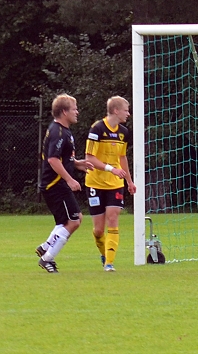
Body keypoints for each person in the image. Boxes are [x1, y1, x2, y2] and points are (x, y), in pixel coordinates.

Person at [35, 94, 92, 273]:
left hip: (56, 184)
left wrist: (77, 163)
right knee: (73, 221)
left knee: (73, 219)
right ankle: (47, 258)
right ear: (64, 111)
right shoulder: (58, 131)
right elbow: (52, 159)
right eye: (74, 109)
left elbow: (62, 157)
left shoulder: (63, 130)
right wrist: (69, 179)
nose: (77, 112)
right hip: (55, 185)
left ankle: (46, 247)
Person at [83, 96, 137, 272]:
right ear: (115, 111)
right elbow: (89, 158)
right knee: (98, 230)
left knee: (113, 219)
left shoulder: (123, 132)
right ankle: (104, 253)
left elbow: (122, 157)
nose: (128, 113)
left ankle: (109, 264)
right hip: (95, 183)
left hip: (115, 184)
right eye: (126, 110)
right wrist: (110, 169)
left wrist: (129, 181)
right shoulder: (97, 129)